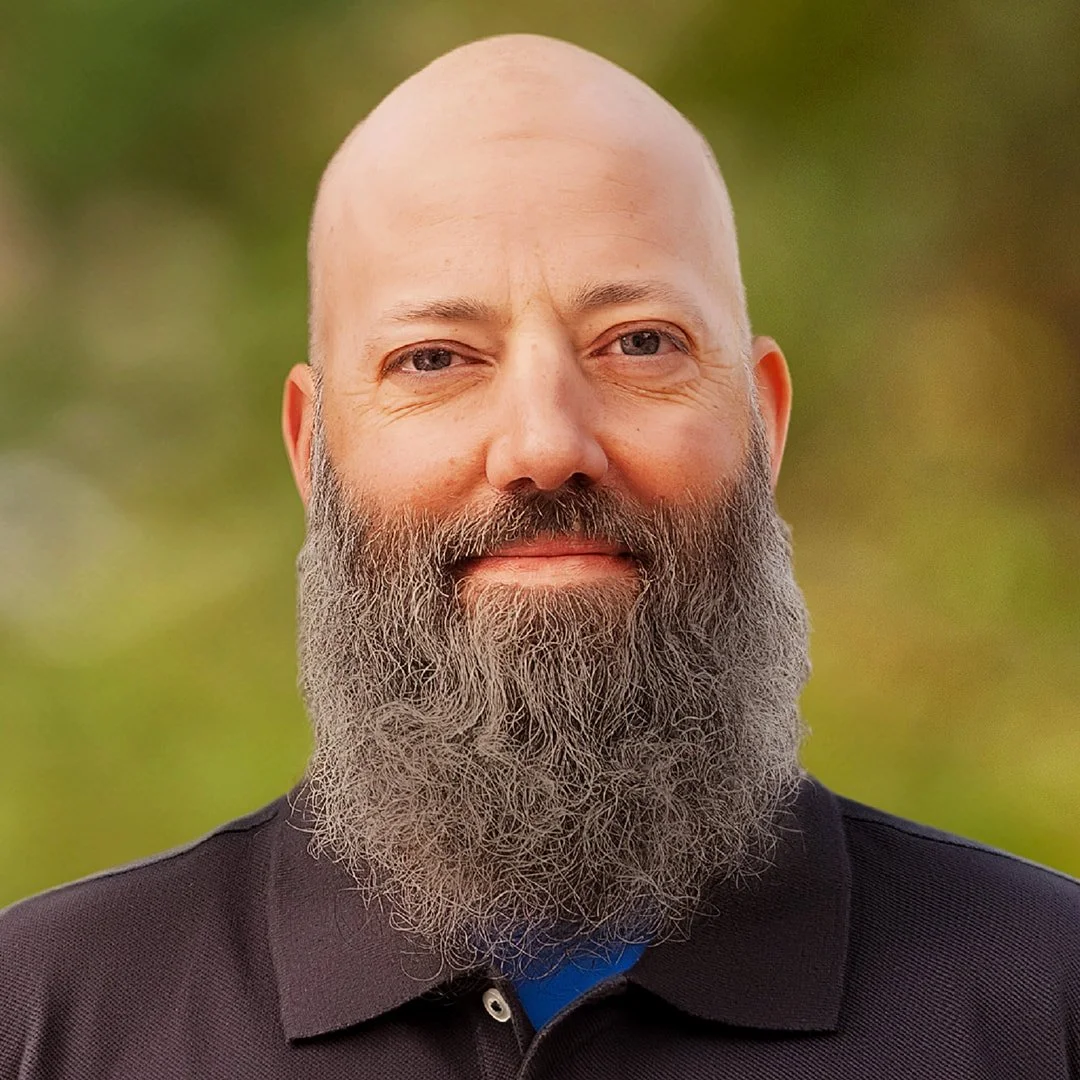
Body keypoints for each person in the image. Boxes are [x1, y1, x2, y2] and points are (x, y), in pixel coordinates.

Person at [1, 32, 1077, 1080]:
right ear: (312, 451)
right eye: (435, 358)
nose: (545, 444)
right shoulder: (42, 1019)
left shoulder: (1050, 999)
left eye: (641, 342)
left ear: (765, 421)